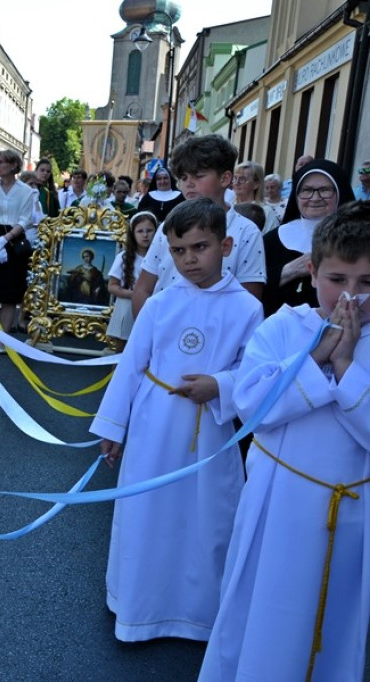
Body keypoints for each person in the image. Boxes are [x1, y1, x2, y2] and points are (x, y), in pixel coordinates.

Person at [199, 202, 370, 681]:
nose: (351, 298)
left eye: (367, 283)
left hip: (351, 510)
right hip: (278, 506)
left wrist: (347, 368)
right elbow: (252, 406)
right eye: (338, 279)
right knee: (263, 612)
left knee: (333, 622)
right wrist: (316, 358)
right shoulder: (282, 328)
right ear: (312, 271)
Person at [92, 197, 263, 643]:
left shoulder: (247, 308)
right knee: (145, 514)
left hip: (208, 435)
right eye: (179, 250)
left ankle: (197, 615)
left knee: (205, 521)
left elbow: (256, 372)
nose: (189, 259)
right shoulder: (160, 303)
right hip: (153, 427)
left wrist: (221, 385)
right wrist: (113, 428)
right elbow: (132, 364)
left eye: (200, 247)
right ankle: (137, 607)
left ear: (225, 245)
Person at [132, 135, 266, 316]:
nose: (189, 183)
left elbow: (248, 302)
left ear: (225, 178)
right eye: (184, 177)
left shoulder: (246, 232)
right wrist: (147, 333)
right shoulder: (168, 228)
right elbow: (143, 288)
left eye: (198, 175)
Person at [261, 158, 356, 320]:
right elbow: (255, 289)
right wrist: (290, 270)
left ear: (339, 192)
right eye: (307, 190)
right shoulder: (272, 240)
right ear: (296, 196)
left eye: (324, 190)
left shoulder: (359, 240)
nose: (315, 198)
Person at [0, 149, 41, 353]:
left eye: (2, 162)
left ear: (14, 165)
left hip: (14, 241)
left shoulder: (25, 191)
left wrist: (5, 239)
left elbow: (26, 219)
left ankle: (4, 339)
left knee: (9, 295)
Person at [105, 212, 156, 353]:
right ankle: (117, 374)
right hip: (127, 306)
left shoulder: (160, 257)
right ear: (133, 234)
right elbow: (112, 286)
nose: (145, 235)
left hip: (152, 307)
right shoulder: (124, 257)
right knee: (123, 350)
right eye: (140, 231)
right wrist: (134, 294)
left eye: (149, 230)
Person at [232, 160, 279, 234]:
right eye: (235, 178)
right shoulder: (228, 205)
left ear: (256, 184)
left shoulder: (266, 212)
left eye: (242, 179)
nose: (236, 183)